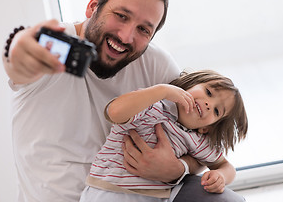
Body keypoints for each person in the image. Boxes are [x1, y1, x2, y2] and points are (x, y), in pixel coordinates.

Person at [3, 0, 246, 202]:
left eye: (143, 29)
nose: (126, 36)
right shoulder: (53, 50)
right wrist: (20, 50)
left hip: (139, 193)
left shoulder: (156, 65)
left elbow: (193, 134)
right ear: (92, 6)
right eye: (121, 15)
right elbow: (19, 60)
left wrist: (178, 168)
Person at [79, 70, 248, 202]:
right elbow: (114, 112)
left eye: (217, 110)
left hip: (156, 197)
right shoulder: (152, 106)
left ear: (207, 128)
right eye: (209, 93)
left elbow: (226, 167)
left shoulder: (196, 140)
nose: (208, 104)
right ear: (192, 84)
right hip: (107, 189)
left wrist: (221, 177)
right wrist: (162, 91)